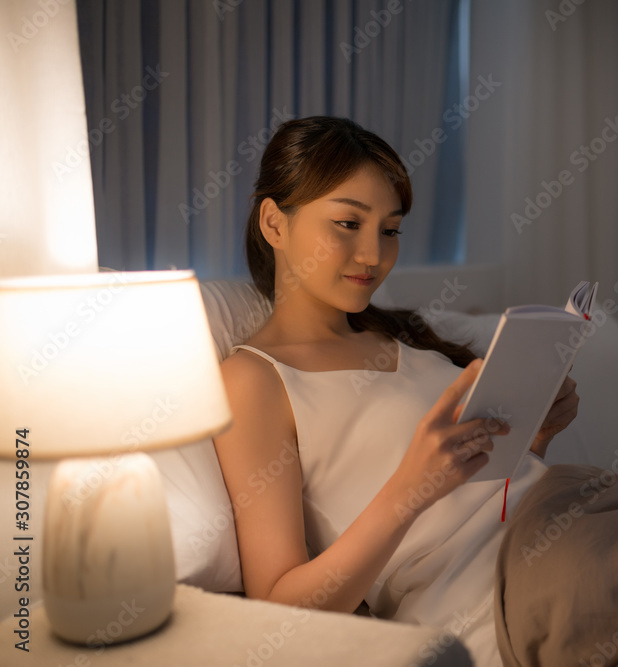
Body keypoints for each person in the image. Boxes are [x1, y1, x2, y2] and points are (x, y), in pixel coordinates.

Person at [212, 116, 579, 666]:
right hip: (504, 595)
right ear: (274, 223)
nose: (372, 255)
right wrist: (411, 487)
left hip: (569, 519)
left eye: (389, 230)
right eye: (346, 223)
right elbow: (279, 604)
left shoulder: (402, 336)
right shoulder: (255, 381)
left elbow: (485, 495)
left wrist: (534, 437)